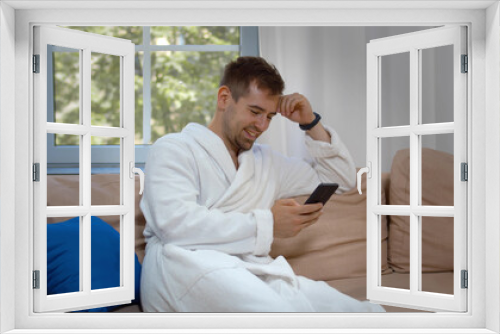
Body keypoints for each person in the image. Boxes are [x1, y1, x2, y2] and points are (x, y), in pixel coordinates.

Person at [139, 56, 384, 312]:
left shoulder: (266, 162)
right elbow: (175, 226)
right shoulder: (174, 148)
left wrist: (310, 122)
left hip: (250, 269)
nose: (262, 125)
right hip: (184, 267)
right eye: (255, 112)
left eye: (270, 116)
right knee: (282, 317)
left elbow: (341, 180)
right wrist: (267, 223)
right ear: (224, 98)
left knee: (362, 313)